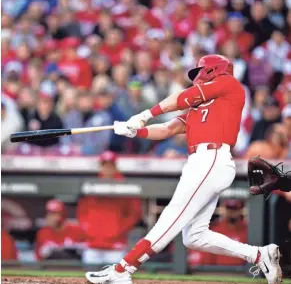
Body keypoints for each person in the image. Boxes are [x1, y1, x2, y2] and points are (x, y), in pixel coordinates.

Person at [86, 55, 282, 284]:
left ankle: (122, 270)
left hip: (212, 158)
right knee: (194, 236)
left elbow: (182, 97)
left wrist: (144, 115)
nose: (197, 76)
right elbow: (169, 128)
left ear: (212, 70)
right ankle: (260, 255)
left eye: (200, 71)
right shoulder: (202, 105)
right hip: (202, 162)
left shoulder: (228, 84)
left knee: (171, 217)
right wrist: (133, 130)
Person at [77, 151, 142, 264]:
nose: (107, 169)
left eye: (110, 166)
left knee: (115, 279)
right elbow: (82, 211)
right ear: (100, 167)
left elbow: (135, 213)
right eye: (105, 166)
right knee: (89, 278)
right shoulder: (91, 184)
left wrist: (119, 229)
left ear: (115, 167)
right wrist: (88, 228)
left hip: (116, 245)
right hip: (93, 244)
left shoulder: (125, 185)